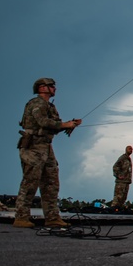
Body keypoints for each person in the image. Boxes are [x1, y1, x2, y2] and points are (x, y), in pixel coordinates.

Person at [13, 78, 82, 228]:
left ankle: (52, 217)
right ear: (42, 88)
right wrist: (65, 124)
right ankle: (21, 217)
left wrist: (71, 124)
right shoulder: (36, 104)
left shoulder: (50, 106)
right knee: (30, 182)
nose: (54, 89)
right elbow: (43, 122)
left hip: (46, 146)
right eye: (51, 86)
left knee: (51, 183)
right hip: (33, 146)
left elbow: (55, 125)